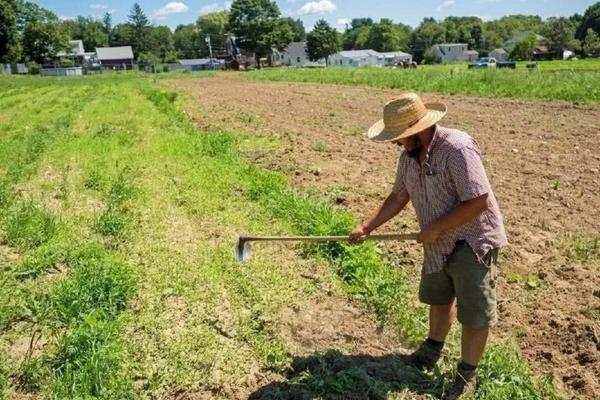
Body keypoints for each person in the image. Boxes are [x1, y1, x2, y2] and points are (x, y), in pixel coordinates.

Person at [349, 92, 507, 399]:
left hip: (471, 240)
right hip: (436, 242)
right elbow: (398, 196)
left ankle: (466, 374)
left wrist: (436, 227)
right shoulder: (408, 156)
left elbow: (478, 201)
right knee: (439, 296)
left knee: (474, 312)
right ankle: (431, 350)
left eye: (400, 137)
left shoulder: (457, 148)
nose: (397, 143)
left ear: (419, 130)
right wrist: (367, 226)